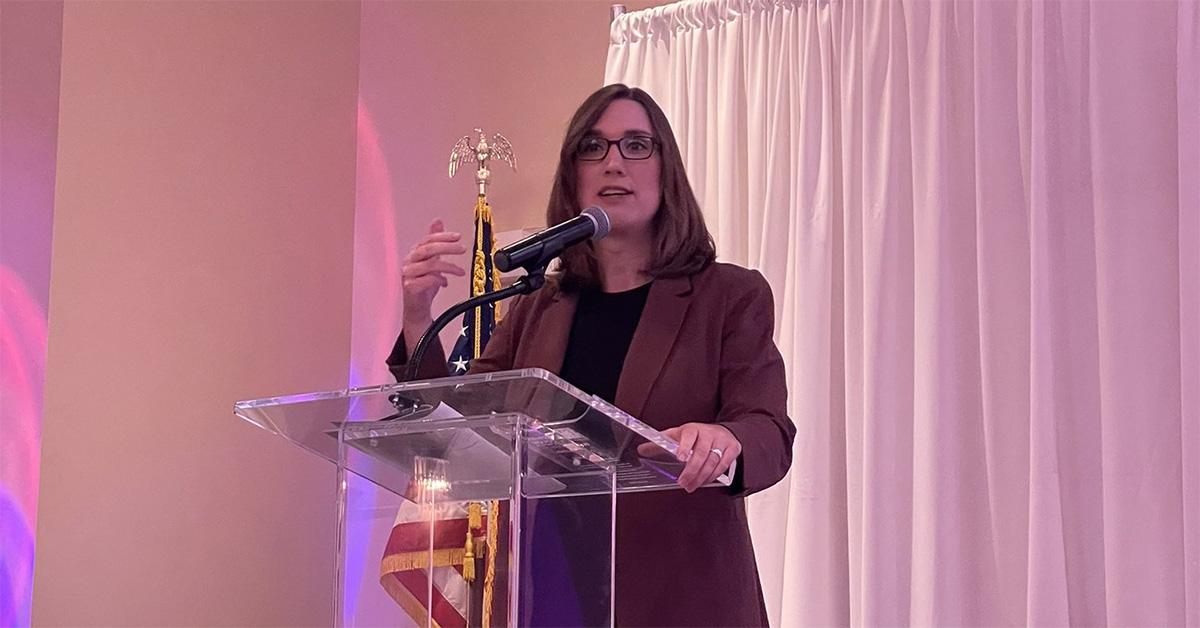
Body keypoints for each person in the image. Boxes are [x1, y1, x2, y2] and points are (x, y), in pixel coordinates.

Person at [387, 84, 795, 627]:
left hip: (682, 598)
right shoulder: (539, 306)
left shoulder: (728, 296)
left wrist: (729, 439)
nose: (613, 163)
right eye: (593, 147)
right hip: (552, 595)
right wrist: (418, 315)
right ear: (573, 176)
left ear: (665, 169)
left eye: (635, 145)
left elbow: (769, 428)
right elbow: (458, 426)